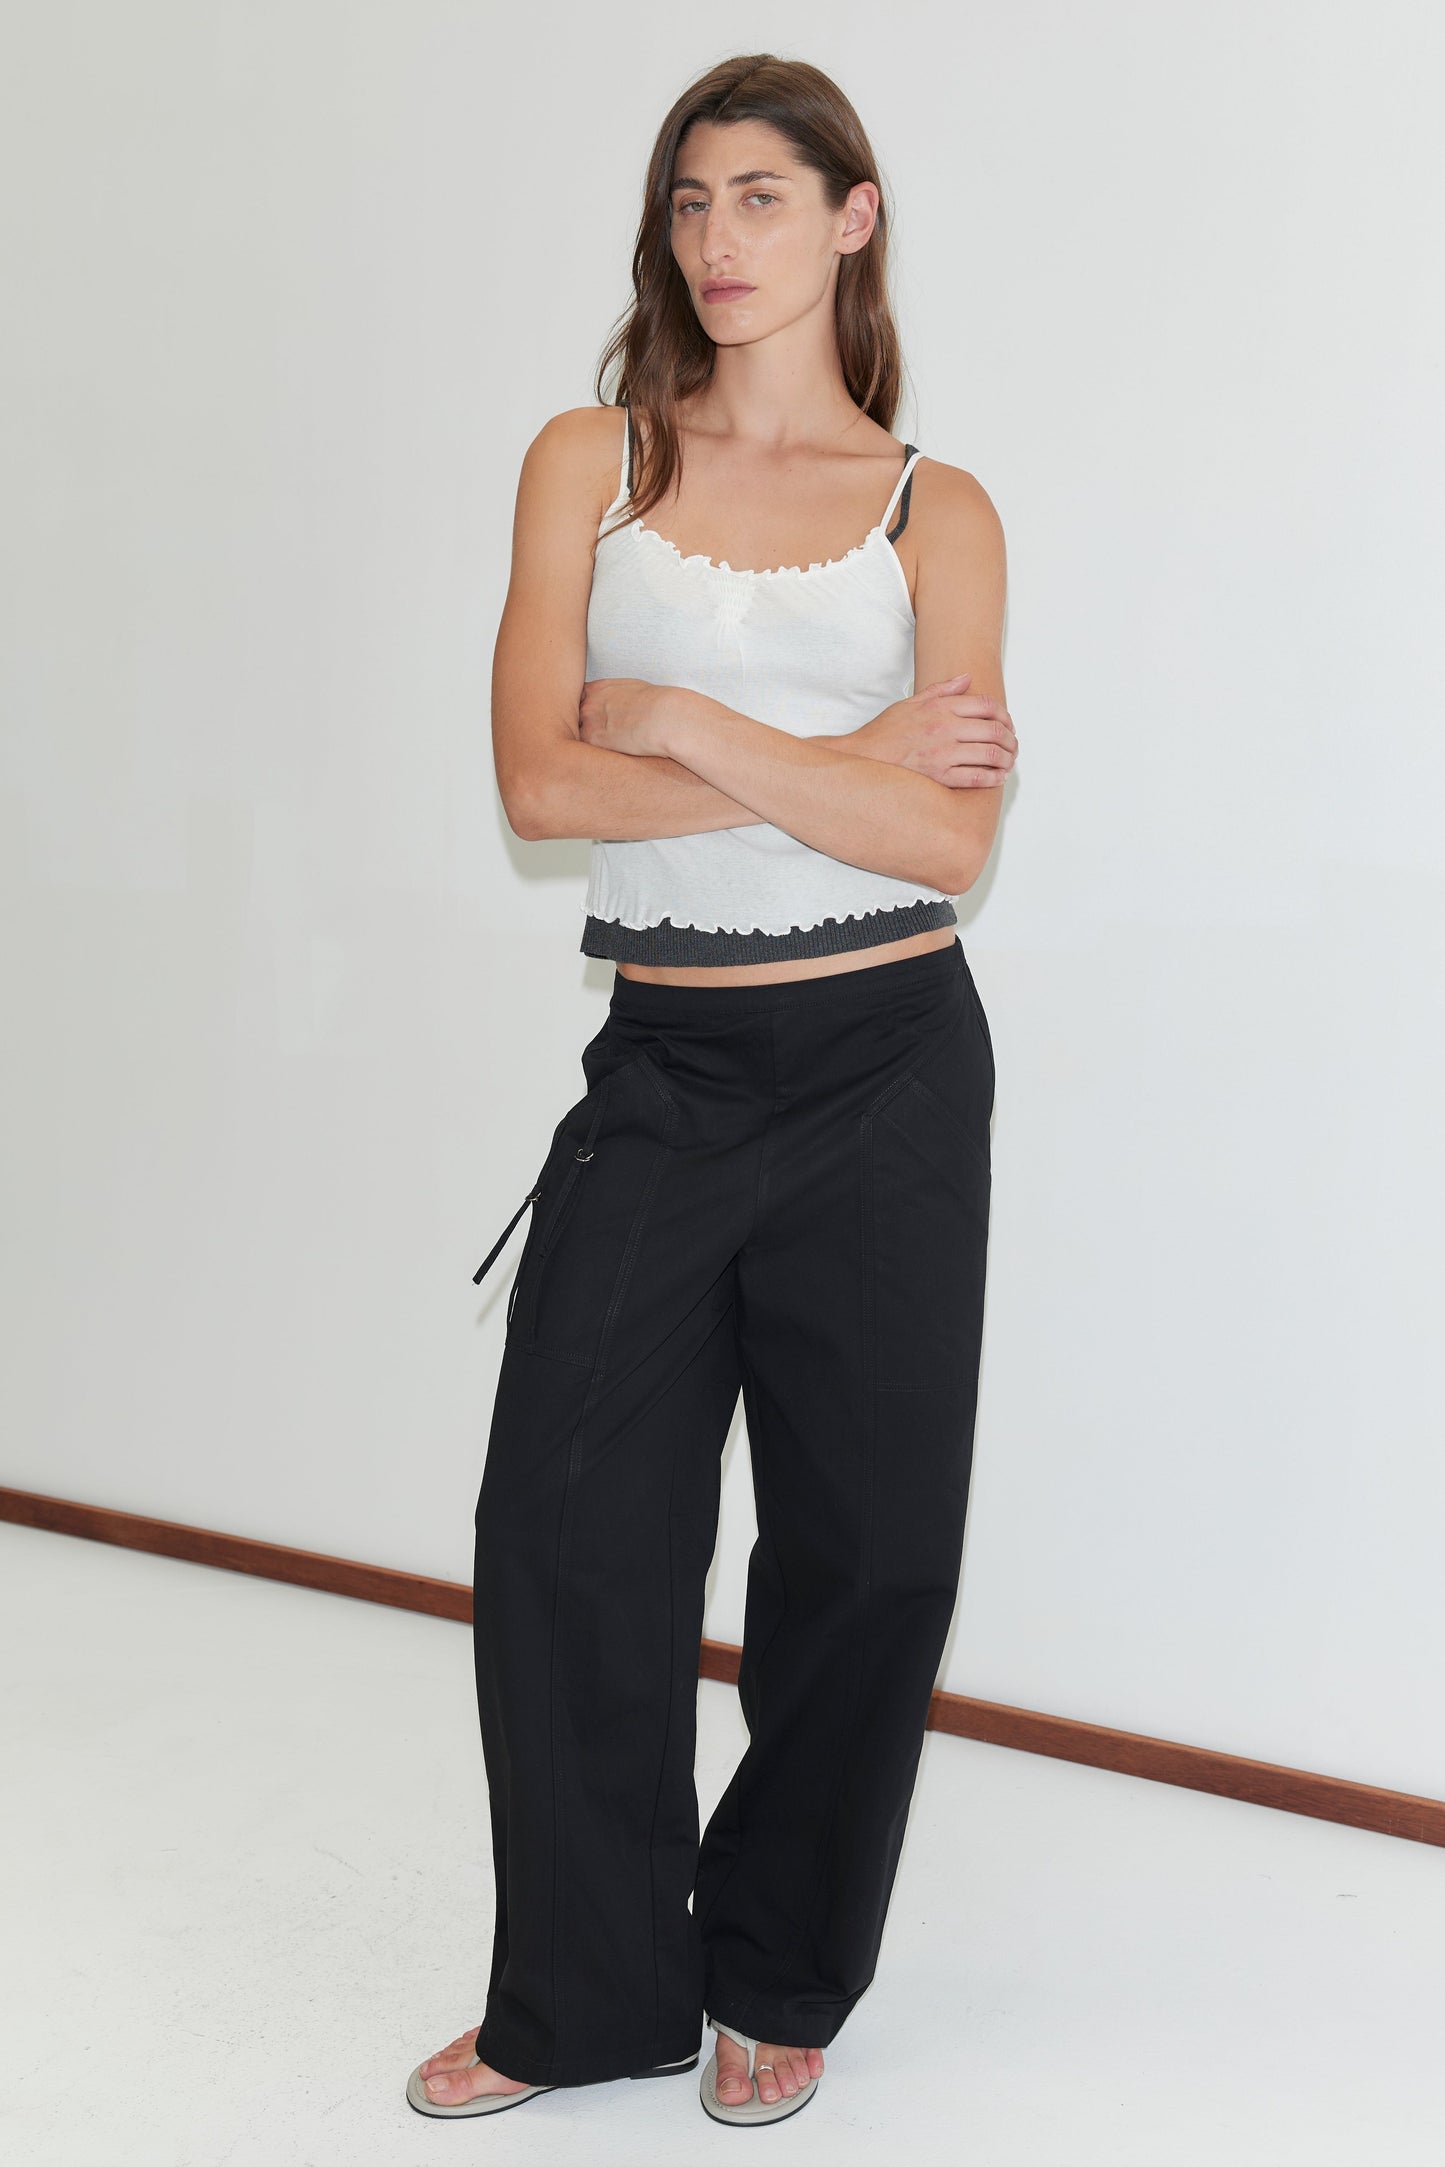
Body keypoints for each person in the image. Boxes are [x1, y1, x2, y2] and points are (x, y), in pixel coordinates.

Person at [406, 50, 1016, 2130]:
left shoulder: (944, 509)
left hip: (892, 1070)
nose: (719, 240)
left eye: (763, 196)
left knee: (867, 1552)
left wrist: (676, 710)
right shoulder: (592, 459)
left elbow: (949, 850)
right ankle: (587, 1989)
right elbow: (536, 780)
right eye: (689, 202)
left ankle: (778, 1959)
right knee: (565, 1529)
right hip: (665, 1062)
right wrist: (833, 766)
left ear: (853, 217)